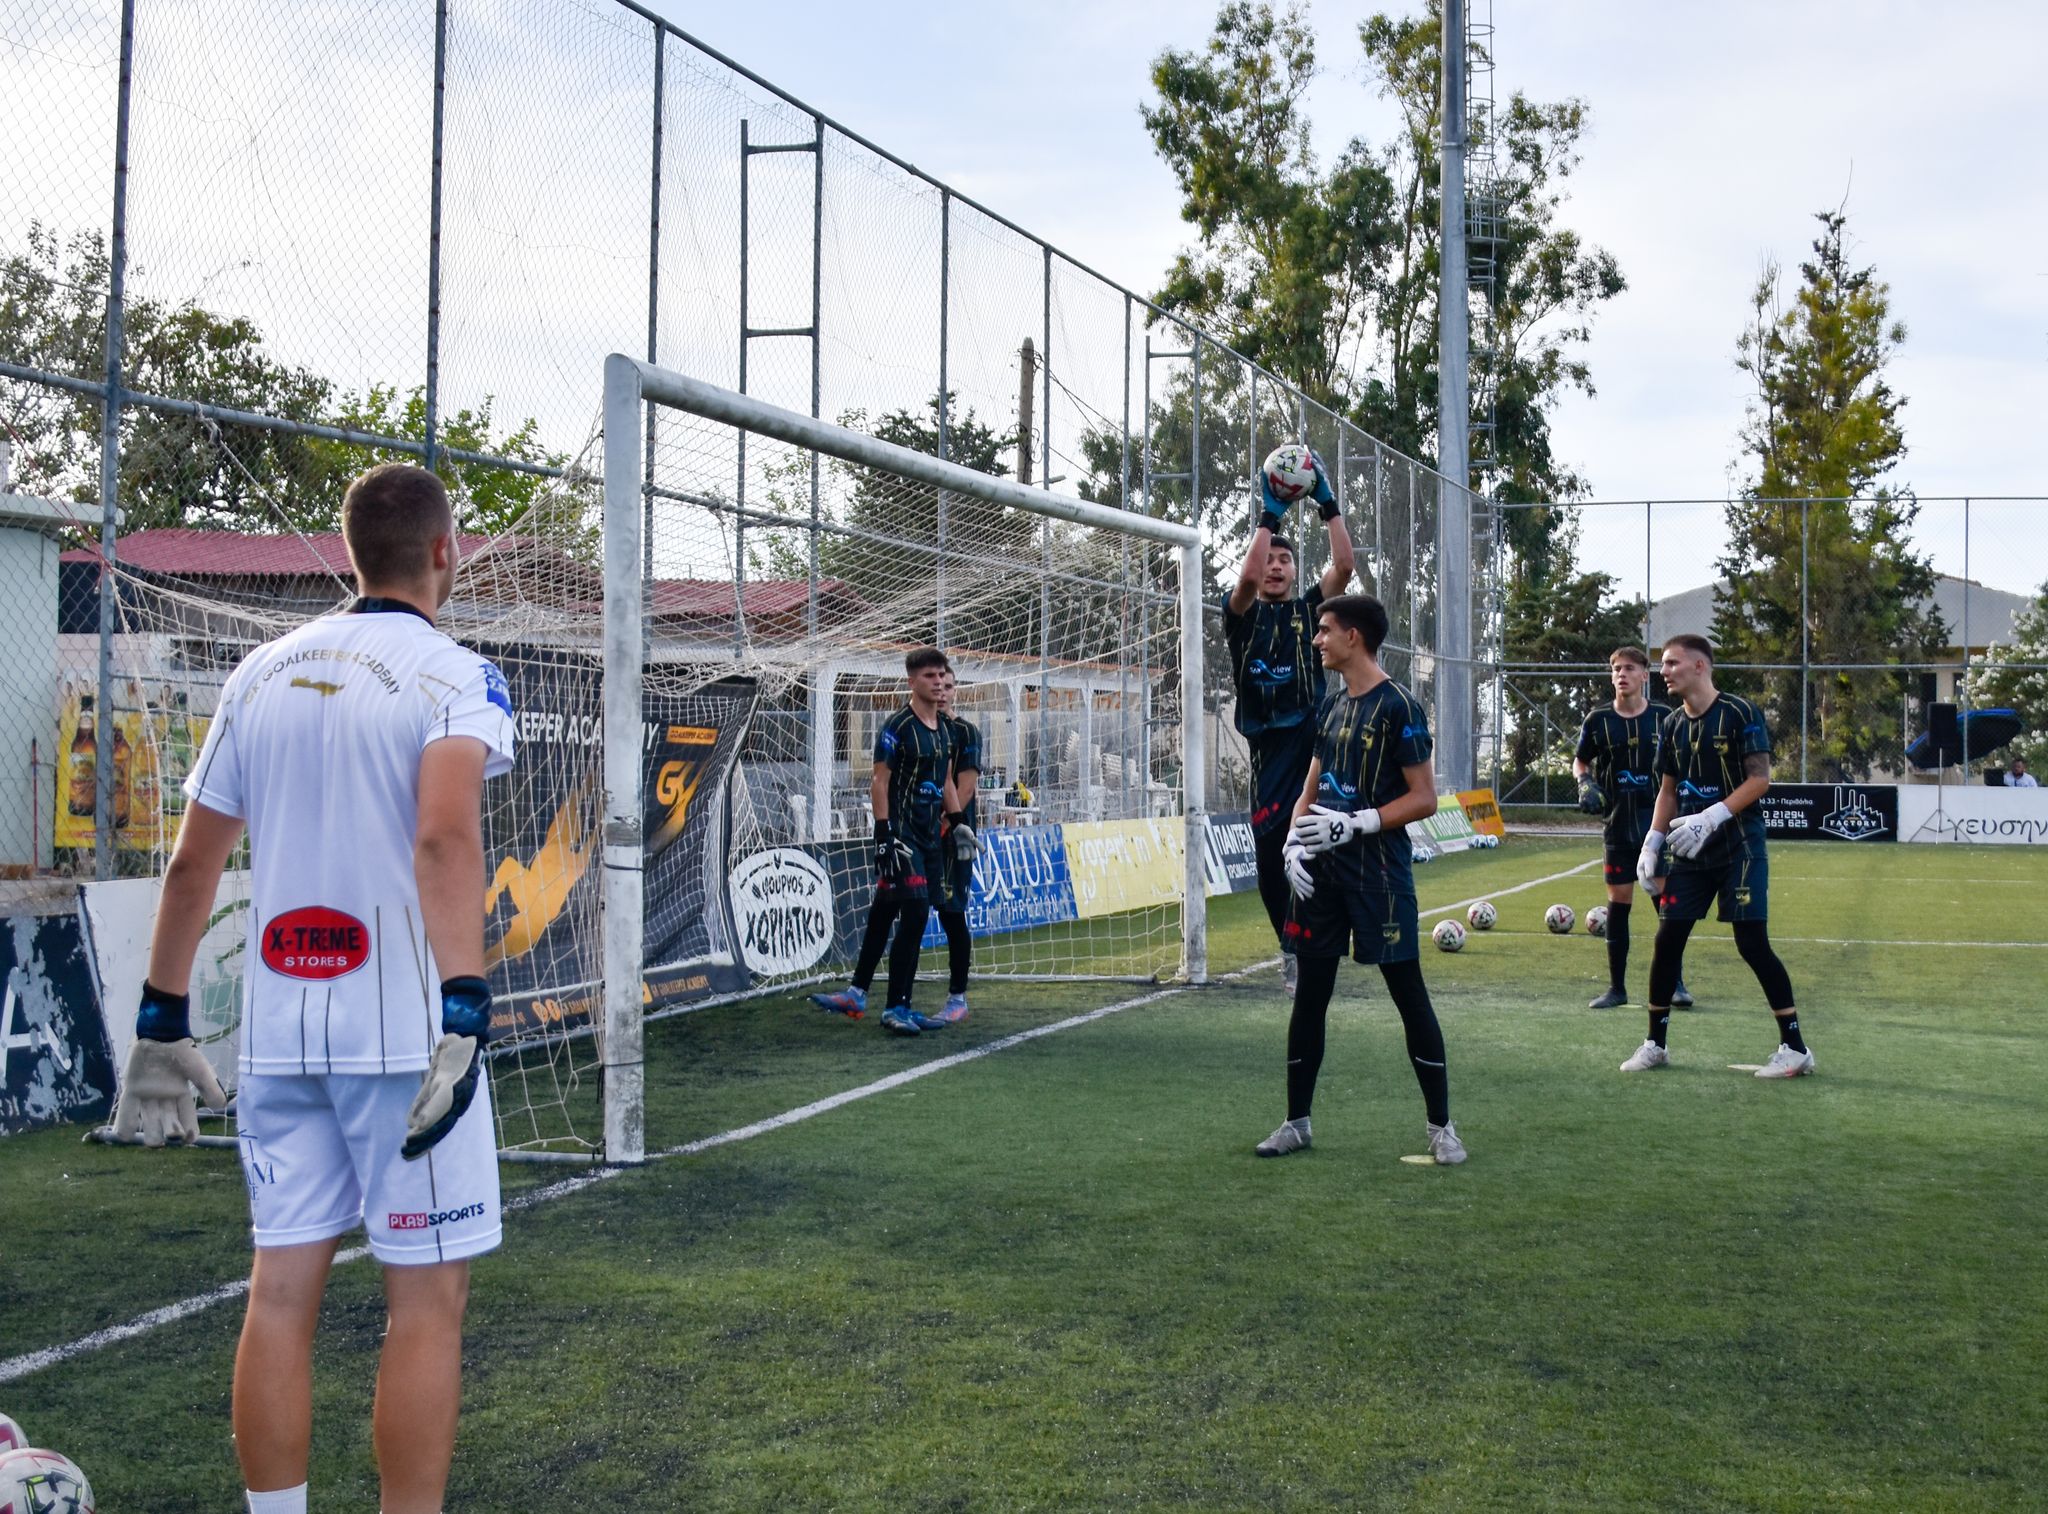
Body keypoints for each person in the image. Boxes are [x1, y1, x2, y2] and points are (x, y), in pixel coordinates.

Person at [109, 463, 515, 1514]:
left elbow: (192, 865)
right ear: (444, 551)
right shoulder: (455, 674)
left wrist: (160, 1017)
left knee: (280, 1293)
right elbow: (443, 836)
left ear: (350, 553)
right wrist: (465, 1005)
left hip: (281, 1032)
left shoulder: (257, 673)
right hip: (409, 1042)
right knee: (425, 1304)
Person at [1256, 592, 1466, 1165]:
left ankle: (1442, 1128)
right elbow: (1311, 786)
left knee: (1408, 995)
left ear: (1354, 637)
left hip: (1379, 876)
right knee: (1310, 996)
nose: (1317, 639)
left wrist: (1358, 823)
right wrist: (1292, 844)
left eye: (1325, 630)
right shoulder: (1329, 707)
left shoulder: (1400, 705)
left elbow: (1424, 798)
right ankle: (1296, 1123)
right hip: (1321, 876)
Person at [1624, 633, 1813, 1079]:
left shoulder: (1740, 712)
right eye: (1662, 664)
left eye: (1672, 663)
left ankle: (1795, 1048)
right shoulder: (1672, 724)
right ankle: (1655, 1044)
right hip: (1690, 850)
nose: (1664, 671)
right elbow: (1668, 790)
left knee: (1752, 943)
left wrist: (1712, 816)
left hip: (1740, 846)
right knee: (1667, 939)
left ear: (1700, 666)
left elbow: (1760, 779)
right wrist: (1652, 842)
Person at [1223, 447, 1356, 997]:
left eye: (1285, 560)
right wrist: (1268, 515)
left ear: (1297, 571)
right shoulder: (1240, 614)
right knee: (1269, 856)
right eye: (1269, 560)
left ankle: (1324, 941)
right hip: (1268, 749)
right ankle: (1291, 946)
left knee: (1321, 843)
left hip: (1314, 736)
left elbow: (1344, 567)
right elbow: (1246, 579)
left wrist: (1327, 503)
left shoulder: (1310, 612)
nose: (1275, 567)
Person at [810, 647, 963, 1036]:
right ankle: (896, 1006)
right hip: (902, 838)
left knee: (885, 911)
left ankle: (857, 994)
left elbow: (946, 781)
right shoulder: (897, 726)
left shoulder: (947, 730)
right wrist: (884, 833)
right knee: (914, 914)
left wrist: (959, 821)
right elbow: (880, 781)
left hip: (930, 840)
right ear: (912, 681)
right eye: (929, 676)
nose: (938, 683)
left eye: (942, 676)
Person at [1572, 646, 1690, 1010]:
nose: (1622, 674)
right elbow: (1580, 761)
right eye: (1616, 669)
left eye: (1629, 668)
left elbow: (1681, 765)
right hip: (1618, 826)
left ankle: (1676, 985)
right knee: (1618, 903)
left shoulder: (1664, 717)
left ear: (1643, 675)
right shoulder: (1598, 720)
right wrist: (1584, 782)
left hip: (1657, 825)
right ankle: (1616, 989)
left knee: (1665, 904)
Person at [932, 669, 983, 1024]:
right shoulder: (914, 729)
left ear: (955, 692)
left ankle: (957, 996)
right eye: (937, 685)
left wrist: (944, 824)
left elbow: (964, 789)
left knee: (952, 914)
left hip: (952, 837)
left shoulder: (965, 732)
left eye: (948, 686)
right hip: (916, 835)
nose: (942, 692)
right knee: (904, 911)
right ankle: (893, 998)